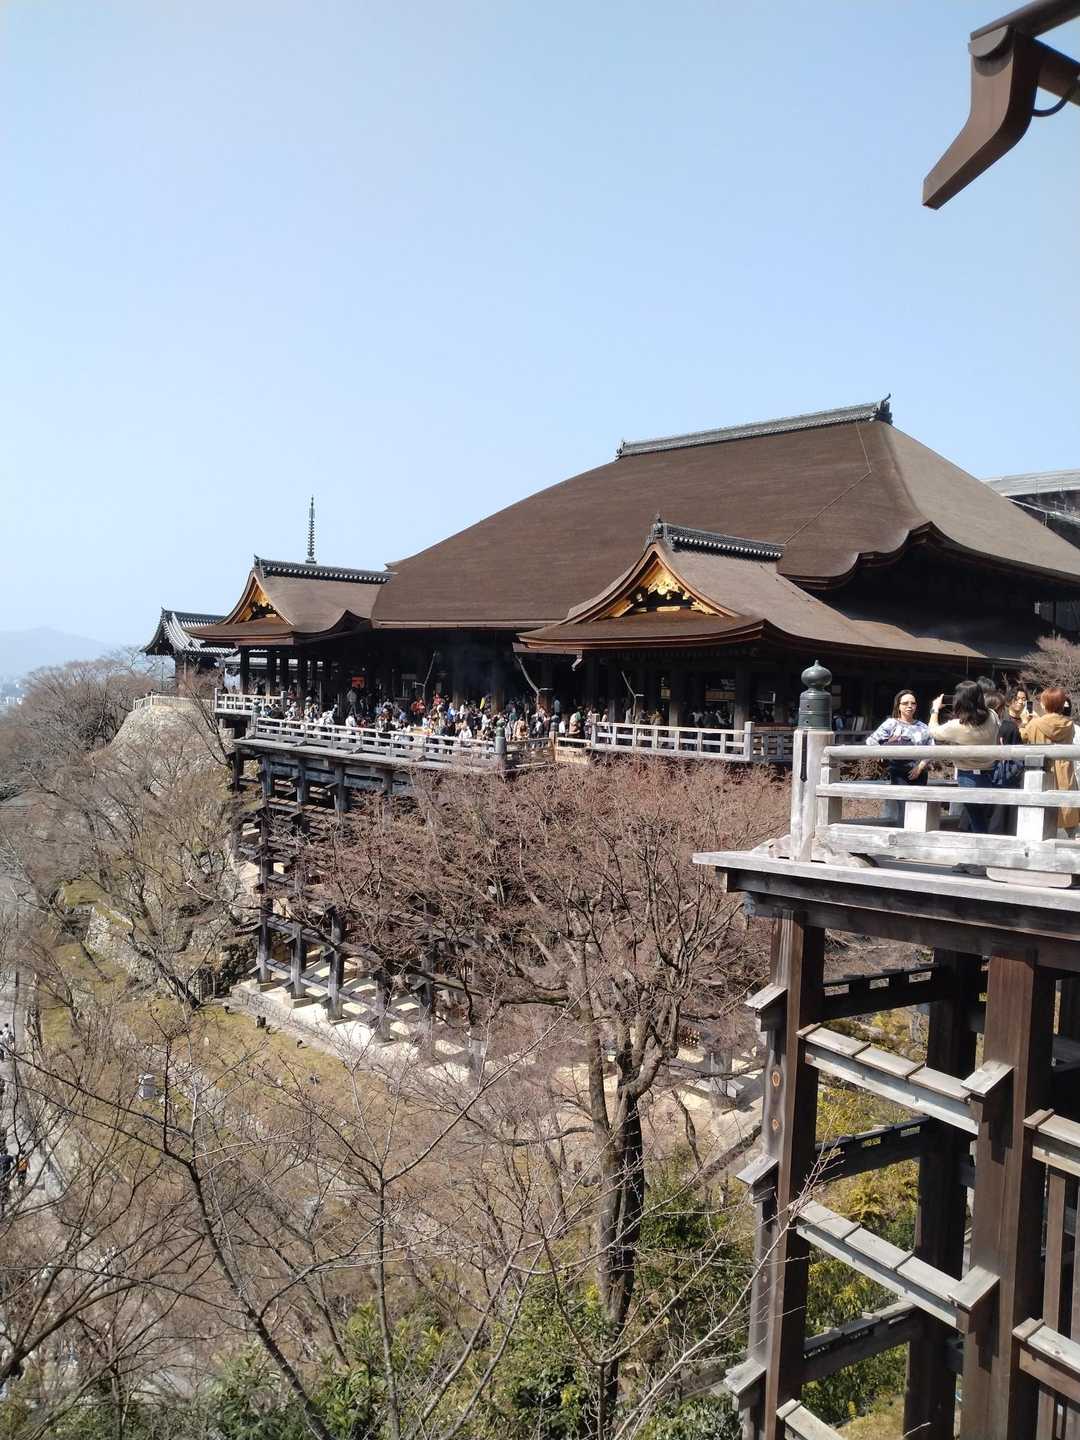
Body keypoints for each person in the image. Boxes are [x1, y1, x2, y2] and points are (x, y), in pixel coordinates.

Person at [929, 682, 999, 834]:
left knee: (976, 819)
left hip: (968, 775)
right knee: (981, 818)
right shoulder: (993, 716)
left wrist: (935, 709)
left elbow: (933, 732)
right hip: (991, 773)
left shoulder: (957, 726)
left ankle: (980, 847)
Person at [865, 690, 931, 822]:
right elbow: (871, 740)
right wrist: (881, 752)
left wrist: (920, 767)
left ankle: (916, 834)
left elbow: (931, 748)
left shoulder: (923, 727)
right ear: (898, 706)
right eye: (905, 703)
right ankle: (903, 833)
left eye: (913, 703)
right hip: (899, 771)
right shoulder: (891, 723)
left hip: (919, 770)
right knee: (904, 808)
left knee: (919, 808)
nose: (909, 706)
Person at [1021, 687, 1079, 835]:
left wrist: (1024, 722)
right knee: (1067, 811)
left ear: (1045, 704)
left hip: (1042, 771)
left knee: (1041, 815)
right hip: (1064, 770)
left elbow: (1022, 737)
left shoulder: (1035, 724)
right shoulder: (1069, 724)